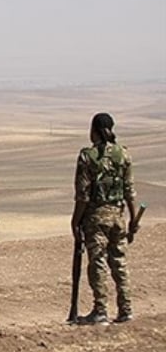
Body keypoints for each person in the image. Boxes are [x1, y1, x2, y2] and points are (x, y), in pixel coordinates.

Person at [71, 112, 137, 324]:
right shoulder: (123, 155)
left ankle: (101, 311)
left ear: (94, 131)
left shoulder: (87, 156)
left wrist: (75, 221)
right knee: (119, 262)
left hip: (96, 219)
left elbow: (83, 195)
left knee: (97, 263)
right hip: (118, 217)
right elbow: (129, 190)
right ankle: (126, 309)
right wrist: (134, 218)